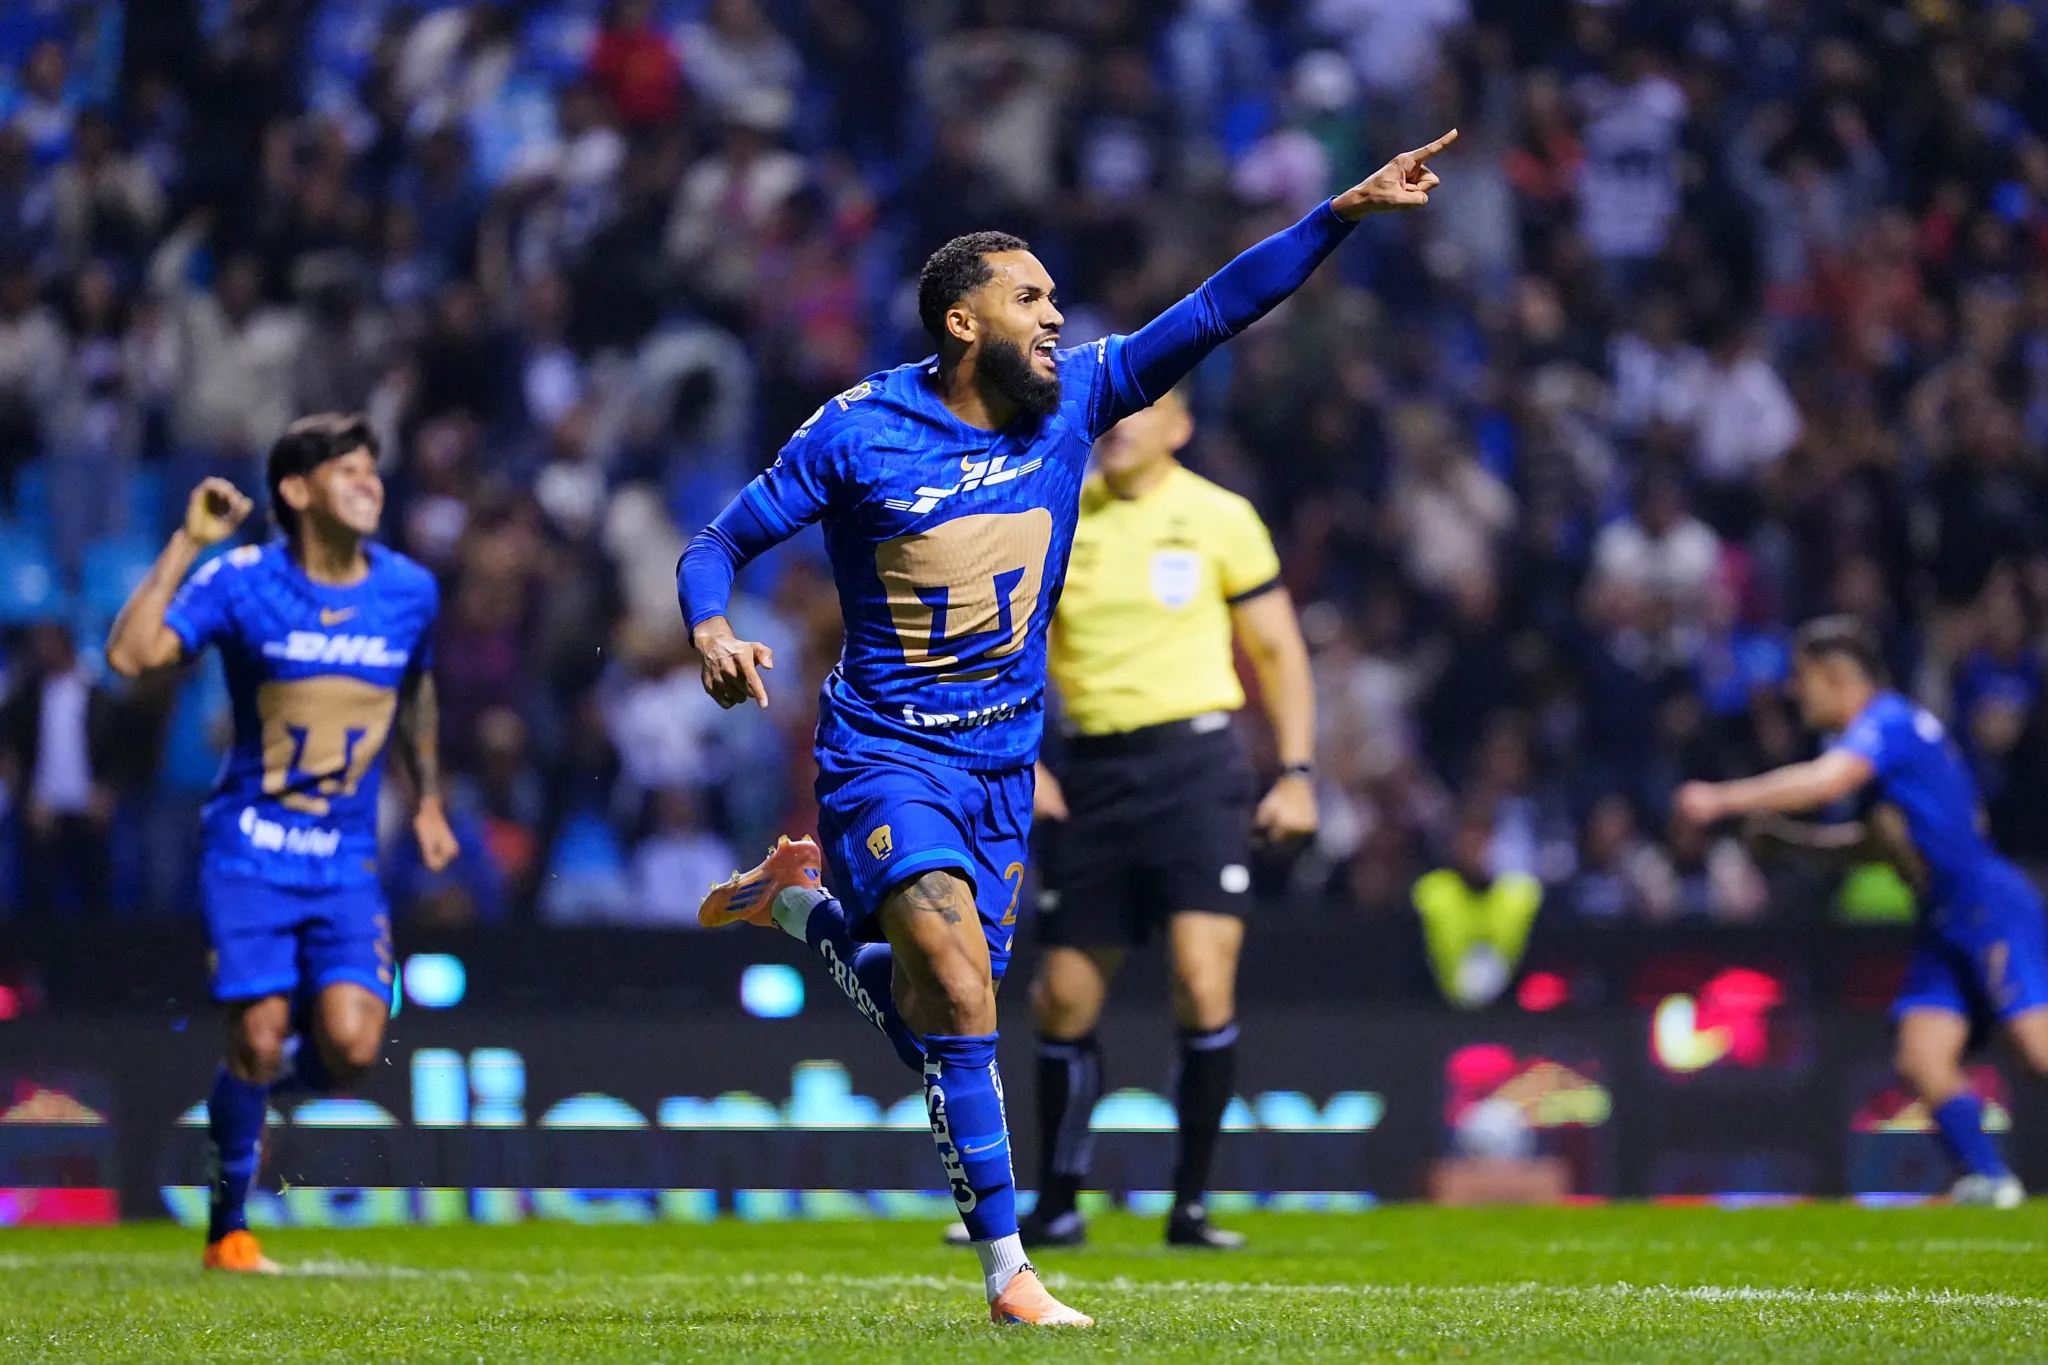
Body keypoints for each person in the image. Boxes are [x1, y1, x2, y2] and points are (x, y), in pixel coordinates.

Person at [682, 131, 1456, 1326]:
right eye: (1029, 298)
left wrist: (1340, 213)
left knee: (947, 1022)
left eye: (1054, 297)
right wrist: (711, 632)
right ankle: (1011, 1278)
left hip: (1001, 765)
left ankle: (798, 911)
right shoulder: (857, 432)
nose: (1056, 316)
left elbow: (1215, 310)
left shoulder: (1080, 399)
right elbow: (715, 543)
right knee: (956, 986)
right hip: (887, 752)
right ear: (959, 323)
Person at [105, 413, 457, 1271]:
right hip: (250, 850)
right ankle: (228, 1226)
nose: (371, 483)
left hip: (344, 861)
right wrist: (188, 544)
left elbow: (414, 694)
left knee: (352, 1046)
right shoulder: (241, 581)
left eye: (373, 470)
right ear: (296, 492)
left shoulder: (409, 589)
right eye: (348, 471)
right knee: (260, 1033)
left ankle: (246, 1093)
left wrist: (429, 800)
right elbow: (130, 653)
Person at [979, 382, 1316, 1252]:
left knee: (1203, 979)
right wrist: (1025, 756)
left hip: (1197, 768)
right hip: (1089, 772)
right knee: (1061, 997)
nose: (1120, 427)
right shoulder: (1053, 509)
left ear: (1181, 426)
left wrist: (1299, 772)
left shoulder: (1220, 517)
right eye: (1114, 412)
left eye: (1141, 413)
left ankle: (1190, 1206)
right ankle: (1057, 1203)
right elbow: (1002, 643)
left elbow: (1277, 647)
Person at [1677, 617, 2048, 1208]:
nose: (1797, 694)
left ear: (1835, 677)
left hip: (1987, 903)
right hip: (1945, 916)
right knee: (1920, 1055)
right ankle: (1990, 1181)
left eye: (1803, 679)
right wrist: (1791, 842)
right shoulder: (1894, 747)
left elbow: (1826, 783)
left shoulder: (1887, 722)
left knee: (2038, 1051)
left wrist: (1723, 799)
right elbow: (1873, 845)